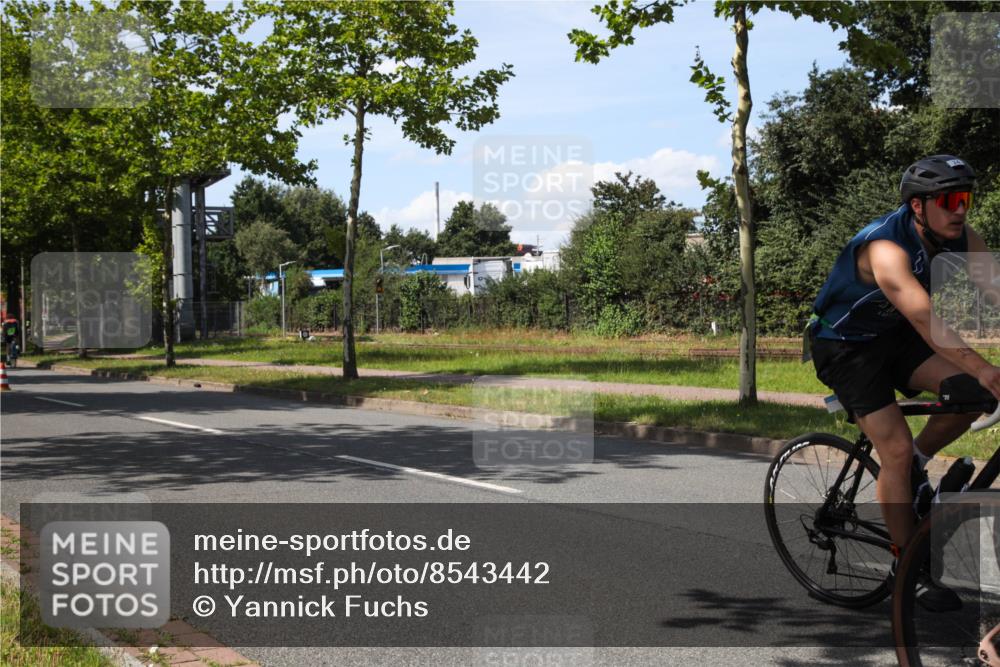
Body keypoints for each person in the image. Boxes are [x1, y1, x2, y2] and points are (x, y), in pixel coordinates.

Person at [807, 155, 1000, 612]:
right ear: (918, 206)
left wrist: (980, 377)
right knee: (891, 448)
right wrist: (987, 367)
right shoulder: (884, 250)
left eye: (966, 199)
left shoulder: (963, 237)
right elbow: (924, 319)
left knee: (970, 396)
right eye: (950, 200)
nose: (961, 210)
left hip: (893, 339)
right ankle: (907, 566)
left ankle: (917, 464)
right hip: (845, 346)